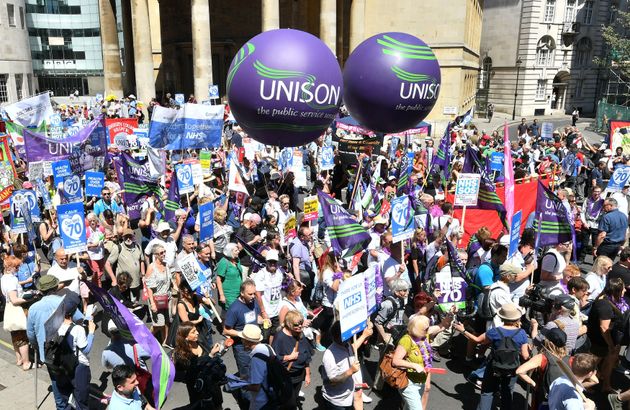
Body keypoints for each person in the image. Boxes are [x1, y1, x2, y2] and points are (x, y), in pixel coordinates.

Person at [453, 303, 530, 410]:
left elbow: (477, 340)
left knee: (487, 392)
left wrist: (463, 331)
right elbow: (525, 355)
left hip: (494, 366)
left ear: (502, 317)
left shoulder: (494, 331)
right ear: (517, 318)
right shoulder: (521, 333)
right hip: (512, 368)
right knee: (507, 392)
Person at [586, 277, 626, 392]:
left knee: (606, 362)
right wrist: (611, 345)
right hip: (600, 343)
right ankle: (585, 386)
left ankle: (605, 385)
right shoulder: (605, 306)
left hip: (608, 342)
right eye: (622, 289)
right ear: (616, 291)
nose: (624, 291)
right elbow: (604, 328)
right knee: (591, 365)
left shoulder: (610, 300)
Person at [172, 322, 224, 409]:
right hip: (198, 390)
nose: (197, 333)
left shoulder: (200, 341)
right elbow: (189, 373)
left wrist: (218, 351)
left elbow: (211, 356)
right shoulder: (180, 354)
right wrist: (210, 356)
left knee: (218, 406)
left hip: (212, 385)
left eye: (196, 330)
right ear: (185, 337)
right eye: (193, 332)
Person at [516, 327, 569, 409]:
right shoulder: (570, 359)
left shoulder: (542, 357)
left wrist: (534, 384)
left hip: (544, 396)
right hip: (562, 397)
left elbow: (519, 371)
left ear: (549, 343)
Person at [271, 310, 313, 408]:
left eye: (301, 323)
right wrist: (289, 357)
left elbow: (307, 356)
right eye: (296, 325)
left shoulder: (300, 335)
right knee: (290, 403)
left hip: (299, 375)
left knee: (294, 396)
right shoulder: (280, 337)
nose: (300, 326)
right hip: (286, 376)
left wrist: (307, 375)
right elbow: (273, 358)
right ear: (289, 324)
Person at [223, 279, 262, 380]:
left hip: (255, 343)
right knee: (245, 373)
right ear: (242, 293)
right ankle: (245, 394)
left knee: (255, 369)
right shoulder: (234, 309)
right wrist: (242, 334)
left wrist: (263, 320)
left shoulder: (253, 301)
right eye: (250, 294)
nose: (253, 296)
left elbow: (256, 316)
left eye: (254, 293)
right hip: (242, 347)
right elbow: (226, 330)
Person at [391, 314, 431, 410]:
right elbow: (395, 361)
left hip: (420, 382)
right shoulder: (406, 340)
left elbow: (442, 326)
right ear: (418, 329)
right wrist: (414, 365)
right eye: (425, 328)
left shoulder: (423, 338)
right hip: (409, 383)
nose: (428, 330)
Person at [1, 255, 32, 370]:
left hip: (9, 308)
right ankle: (26, 362)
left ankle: (19, 359)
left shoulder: (4, 277)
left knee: (15, 335)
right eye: (16, 267)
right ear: (10, 267)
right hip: (16, 309)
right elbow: (14, 300)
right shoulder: (12, 280)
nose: (18, 268)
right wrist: (30, 298)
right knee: (22, 337)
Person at [252, 250, 285, 341]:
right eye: (270, 262)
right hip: (266, 312)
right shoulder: (261, 275)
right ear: (266, 262)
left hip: (277, 310)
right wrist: (263, 312)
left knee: (275, 334)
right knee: (264, 336)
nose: (273, 264)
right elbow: (257, 294)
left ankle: (271, 353)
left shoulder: (279, 272)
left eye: (274, 262)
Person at [144, 245, 172, 347]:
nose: (163, 254)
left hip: (167, 297)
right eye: (161, 253)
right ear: (155, 255)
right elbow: (149, 288)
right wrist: (152, 304)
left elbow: (170, 280)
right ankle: (147, 338)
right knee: (159, 323)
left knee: (167, 320)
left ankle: (165, 341)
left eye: (164, 252)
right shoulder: (151, 268)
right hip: (156, 299)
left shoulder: (166, 264)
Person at [216, 243, 243, 309]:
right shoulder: (224, 262)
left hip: (238, 292)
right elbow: (218, 279)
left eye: (238, 250)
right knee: (232, 312)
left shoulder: (237, 260)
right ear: (230, 252)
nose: (238, 252)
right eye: (236, 251)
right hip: (229, 294)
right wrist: (221, 295)